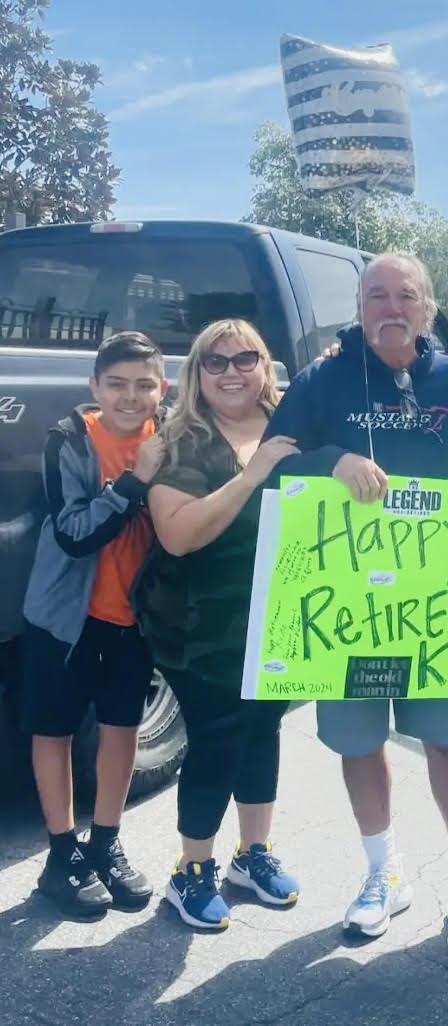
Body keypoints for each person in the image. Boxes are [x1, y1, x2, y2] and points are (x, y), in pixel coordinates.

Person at [264, 252, 448, 955]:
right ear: (358, 307)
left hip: (433, 609)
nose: (391, 307)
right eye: (376, 295)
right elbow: (273, 455)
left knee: (446, 743)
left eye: (406, 295)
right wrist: (330, 458)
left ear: (428, 307)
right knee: (360, 744)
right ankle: (383, 873)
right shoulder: (323, 376)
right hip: (349, 608)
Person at [136, 319, 300, 930]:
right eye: (216, 361)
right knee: (218, 738)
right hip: (196, 622)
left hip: (277, 617)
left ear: (265, 366)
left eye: (245, 358)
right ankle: (191, 870)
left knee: (263, 731)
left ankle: (251, 855)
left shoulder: (292, 430)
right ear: (196, 373)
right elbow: (178, 537)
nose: (232, 371)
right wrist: (253, 474)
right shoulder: (178, 441)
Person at [22, 332, 167, 918]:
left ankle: (105, 842)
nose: (130, 398)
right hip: (66, 618)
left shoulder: (172, 440)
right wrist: (133, 484)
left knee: (121, 729)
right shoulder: (70, 442)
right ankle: (62, 855)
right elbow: (74, 534)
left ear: (162, 389)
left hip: (134, 619)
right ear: (95, 387)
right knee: (53, 730)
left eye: (144, 385)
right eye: (117, 385)